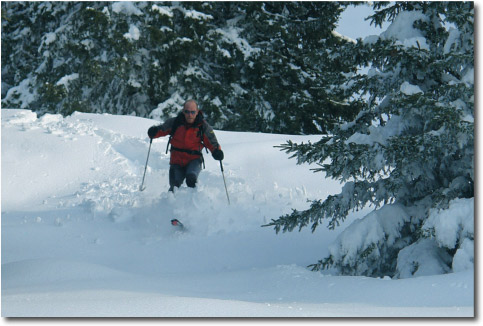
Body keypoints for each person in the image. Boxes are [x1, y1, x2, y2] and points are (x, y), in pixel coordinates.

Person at [147, 100, 224, 192]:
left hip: (194, 160)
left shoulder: (203, 126)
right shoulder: (175, 122)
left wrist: (216, 151)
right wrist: (154, 131)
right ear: (183, 111)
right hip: (176, 161)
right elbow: (162, 129)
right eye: (187, 112)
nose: (190, 115)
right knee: (174, 187)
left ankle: (195, 202)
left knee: (191, 179)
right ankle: (171, 204)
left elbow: (212, 142)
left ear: (197, 112)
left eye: (192, 112)